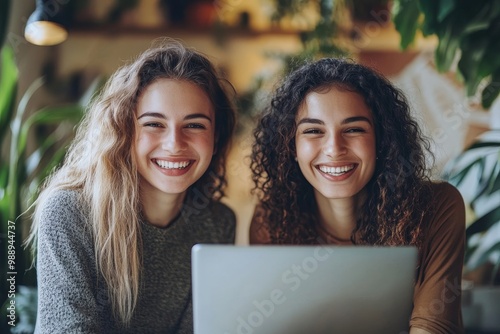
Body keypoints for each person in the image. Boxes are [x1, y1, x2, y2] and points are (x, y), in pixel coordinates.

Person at [28, 40, 237, 333]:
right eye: (154, 124)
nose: (175, 144)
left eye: (195, 125)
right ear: (125, 131)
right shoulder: (69, 213)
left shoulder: (218, 224)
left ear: (216, 138)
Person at [249, 57, 465, 334]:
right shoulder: (272, 219)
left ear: (382, 140)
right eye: (313, 131)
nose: (334, 148)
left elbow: (432, 328)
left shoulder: (436, 207)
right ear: (291, 146)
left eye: (353, 129)